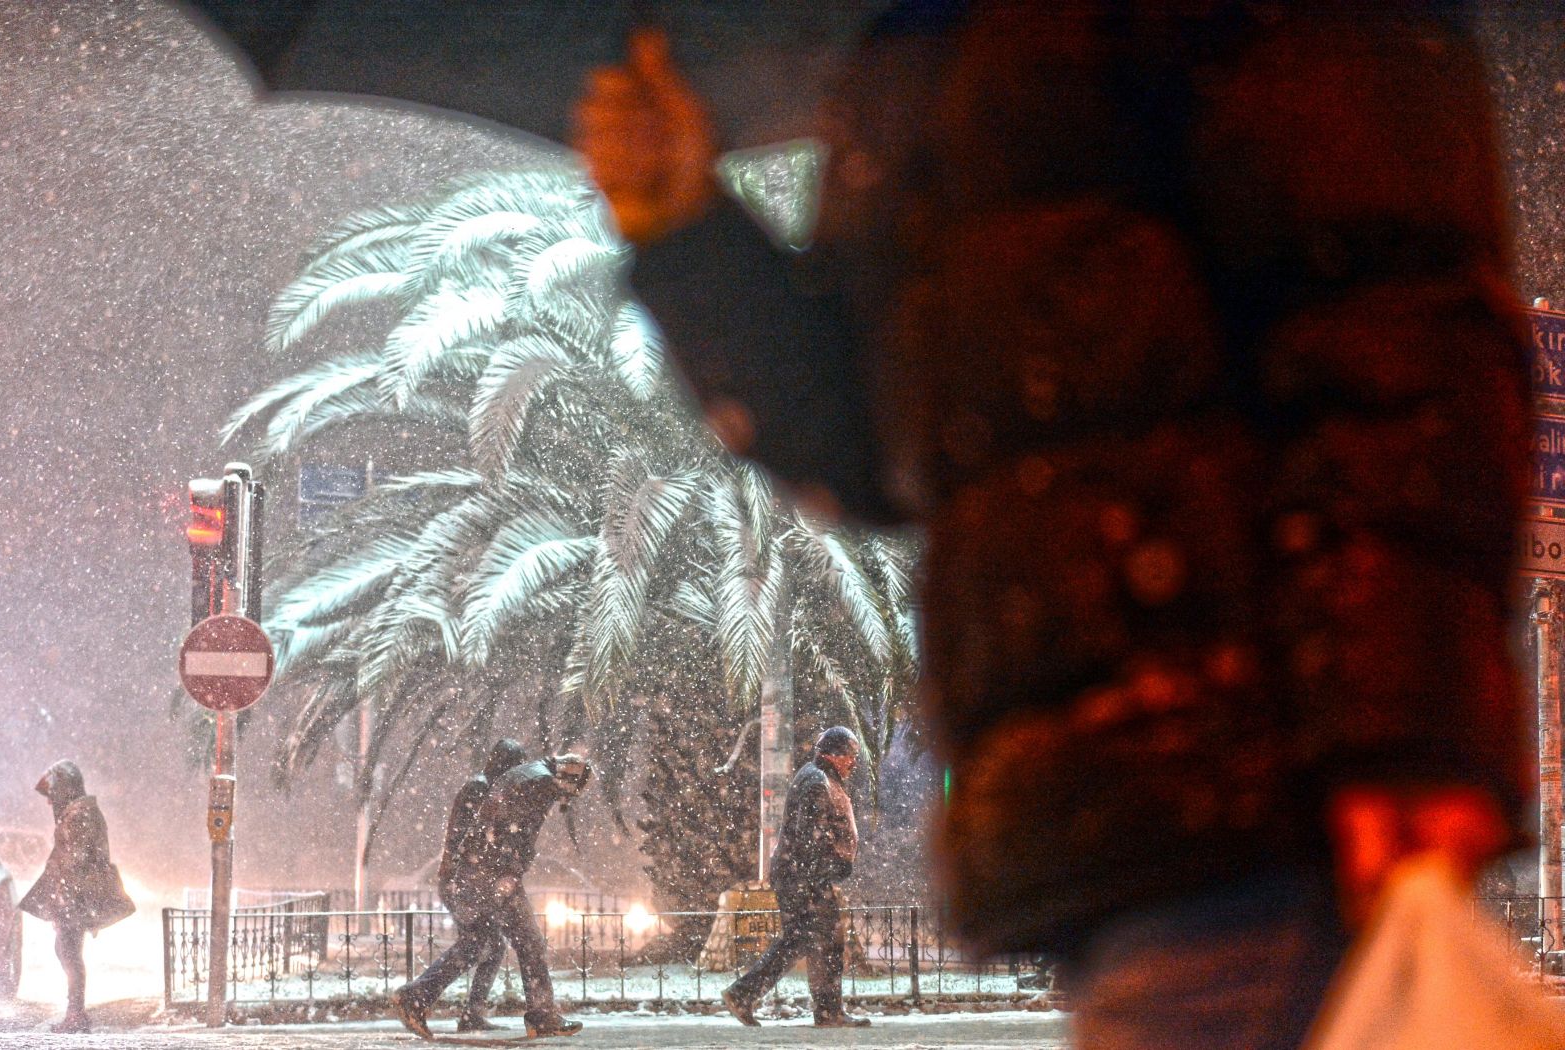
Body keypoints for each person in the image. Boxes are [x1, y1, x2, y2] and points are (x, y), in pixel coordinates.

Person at [575, 6, 1529, 1047]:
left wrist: (1395, 735)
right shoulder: (921, 51)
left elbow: (1393, 328)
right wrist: (689, 235)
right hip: (1095, 821)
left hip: (1265, 781)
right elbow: (885, 445)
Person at [393, 752, 592, 1040]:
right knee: (530, 941)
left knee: (478, 942)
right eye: (572, 791)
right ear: (568, 778)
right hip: (494, 873)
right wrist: (511, 868)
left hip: (477, 870)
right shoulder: (541, 782)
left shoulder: (527, 774)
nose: (566, 798)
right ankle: (542, 1015)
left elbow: (496, 824)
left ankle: (416, 997)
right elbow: (516, 830)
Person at [722, 727, 868, 1028]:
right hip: (806, 878)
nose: (853, 762)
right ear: (834, 754)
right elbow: (811, 836)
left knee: (811, 940)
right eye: (850, 756)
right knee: (814, 940)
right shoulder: (817, 781)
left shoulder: (822, 778)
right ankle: (750, 995)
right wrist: (828, 867)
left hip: (803, 876)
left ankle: (823, 1010)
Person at [393, 737, 527, 1035]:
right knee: (477, 944)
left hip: (468, 881)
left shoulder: (487, 788)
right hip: (464, 883)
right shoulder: (481, 789)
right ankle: (417, 995)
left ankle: (471, 1013)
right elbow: (474, 840)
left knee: (491, 946)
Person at [18, 760, 135, 1033]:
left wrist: (65, 898)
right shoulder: (79, 813)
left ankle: (76, 1015)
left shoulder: (81, 815)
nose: (49, 803)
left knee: (69, 953)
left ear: (65, 788)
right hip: (72, 897)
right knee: (66, 951)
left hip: (75, 899)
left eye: (52, 794)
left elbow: (77, 861)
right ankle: (75, 1012)